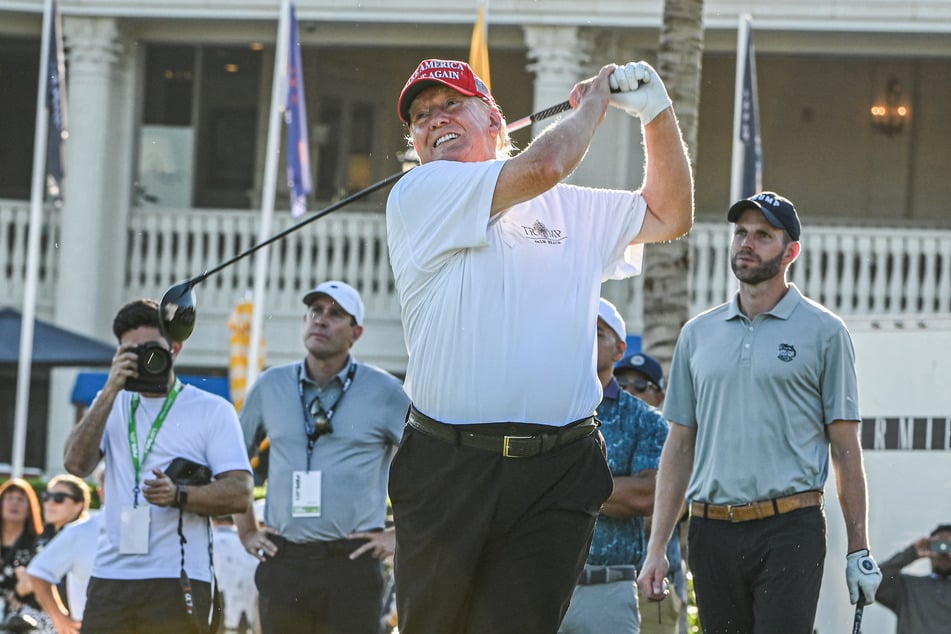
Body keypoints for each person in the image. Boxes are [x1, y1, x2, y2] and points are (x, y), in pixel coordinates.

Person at [385, 56, 693, 633]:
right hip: (448, 468)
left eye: (452, 104)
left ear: (497, 122)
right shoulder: (421, 190)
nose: (434, 119)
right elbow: (547, 162)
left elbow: (671, 213)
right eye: (421, 116)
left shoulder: (570, 208)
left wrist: (656, 114)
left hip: (558, 468)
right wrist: (597, 106)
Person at [638, 191, 883, 633]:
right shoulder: (697, 334)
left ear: (791, 252)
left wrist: (859, 549)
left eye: (763, 235)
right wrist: (657, 546)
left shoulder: (826, 333)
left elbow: (846, 449)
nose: (746, 244)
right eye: (741, 233)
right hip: (710, 530)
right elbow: (679, 446)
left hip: (791, 527)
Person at [63, 298, 254, 634]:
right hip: (111, 576)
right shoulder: (110, 403)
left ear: (175, 348)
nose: (142, 358)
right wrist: (110, 389)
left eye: (151, 349)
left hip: (177, 578)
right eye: (130, 350)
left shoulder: (212, 410)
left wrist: (179, 495)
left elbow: (240, 493)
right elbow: (75, 464)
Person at [233, 280, 410, 634]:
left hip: (352, 564)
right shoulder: (271, 386)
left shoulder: (385, 391)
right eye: (316, 311)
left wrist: (400, 536)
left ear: (355, 332)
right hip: (285, 559)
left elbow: (428, 468)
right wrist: (247, 531)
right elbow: (234, 463)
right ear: (304, 320)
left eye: (336, 314)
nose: (321, 320)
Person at [558, 299, 668, 634]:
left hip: (609, 589)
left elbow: (646, 496)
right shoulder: (540, 409)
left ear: (619, 349)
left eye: (597, 332)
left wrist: (559, 490)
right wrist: (611, 490)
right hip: (541, 583)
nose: (583, 338)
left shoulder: (644, 419)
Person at [615, 351, 687, 634]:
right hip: (592, 586)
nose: (630, 392)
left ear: (660, 396)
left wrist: (594, 497)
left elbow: (654, 514)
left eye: (641, 386)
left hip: (654, 588)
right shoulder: (597, 432)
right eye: (621, 384)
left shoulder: (679, 448)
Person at [27, 468, 105, 634]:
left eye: (59, 498)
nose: (50, 503)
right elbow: (32, 578)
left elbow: (29, 580)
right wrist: (59, 618)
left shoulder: (85, 532)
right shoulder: (42, 539)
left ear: (80, 504)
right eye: (47, 497)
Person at [877, 523, 951, 633]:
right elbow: (873, 582)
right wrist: (912, 552)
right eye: (939, 545)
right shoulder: (908, 588)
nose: (944, 552)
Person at [0, 478, 52, 632]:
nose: (14, 503)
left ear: (30, 508)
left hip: (25, 617)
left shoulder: (39, 545)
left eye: (21, 500)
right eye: (9, 498)